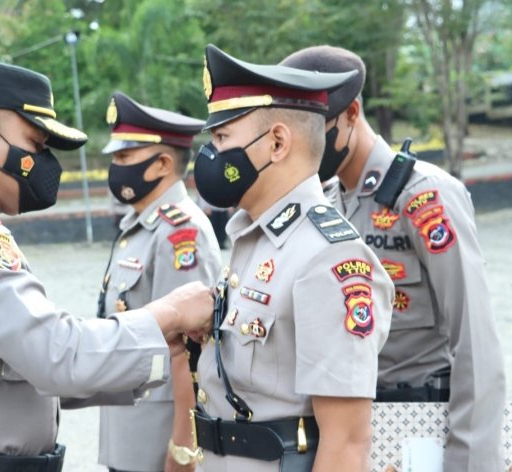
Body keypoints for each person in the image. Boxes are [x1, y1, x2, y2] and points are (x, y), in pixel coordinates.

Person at [0, 58, 214, 472]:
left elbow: (28, 366)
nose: (44, 162)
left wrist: (161, 347)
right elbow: (57, 355)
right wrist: (171, 312)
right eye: (36, 146)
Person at [280, 45, 506, 471]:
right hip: (347, 436)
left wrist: (469, 462)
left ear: (351, 114)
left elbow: (475, 339)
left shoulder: (423, 197)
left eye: (318, 127)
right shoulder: (325, 201)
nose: (308, 143)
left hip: (422, 429)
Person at [181, 44, 394, 472]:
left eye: (222, 139)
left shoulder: (328, 256)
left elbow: (347, 444)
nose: (211, 155)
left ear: (277, 142)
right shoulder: (254, 237)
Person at [96, 92, 222, 472]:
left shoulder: (179, 233)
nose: (116, 168)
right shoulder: (139, 227)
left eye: (124, 158)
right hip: (131, 435)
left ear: (162, 163)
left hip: (160, 443)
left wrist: (184, 448)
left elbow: (191, 350)